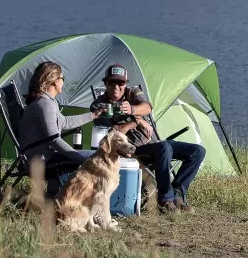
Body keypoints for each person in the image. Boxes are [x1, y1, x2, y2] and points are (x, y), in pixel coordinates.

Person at [93, 63, 206, 213]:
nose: (116, 87)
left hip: (156, 142)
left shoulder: (132, 93)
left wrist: (132, 109)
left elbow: (147, 107)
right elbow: (113, 135)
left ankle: (178, 194)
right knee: (164, 148)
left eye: (120, 83)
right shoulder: (99, 105)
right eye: (111, 82)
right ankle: (165, 200)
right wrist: (136, 122)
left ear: (125, 83)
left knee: (197, 151)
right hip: (133, 149)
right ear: (105, 83)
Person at [19, 61, 101, 190]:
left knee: (94, 155)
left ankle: (54, 197)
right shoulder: (45, 104)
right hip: (39, 163)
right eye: (63, 78)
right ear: (55, 81)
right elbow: (54, 139)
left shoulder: (46, 101)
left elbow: (64, 122)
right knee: (97, 159)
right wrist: (78, 157)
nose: (63, 82)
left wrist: (93, 115)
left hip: (41, 158)